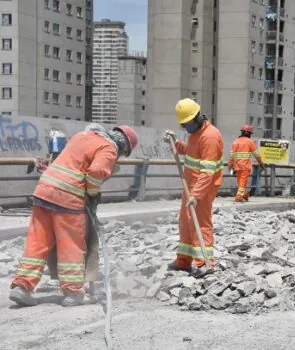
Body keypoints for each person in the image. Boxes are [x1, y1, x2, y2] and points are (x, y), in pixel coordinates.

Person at [9, 124, 138, 307]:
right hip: (68, 198)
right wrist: (93, 194)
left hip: (44, 190)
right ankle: (72, 292)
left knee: (37, 243)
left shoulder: (83, 135)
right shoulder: (109, 148)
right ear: (123, 148)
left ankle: (22, 286)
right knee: (71, 245)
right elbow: (95, 173)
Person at [165, 98, 223, 274]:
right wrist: (176, 144)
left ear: (197, 117)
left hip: (203, 188)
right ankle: (184, 259)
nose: (185, 128)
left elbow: (207, 172)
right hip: (190, 186)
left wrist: (196, 195)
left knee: (201, 223)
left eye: (187, 124)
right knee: (185, 221)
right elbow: (191, 154)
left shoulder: (210, 136)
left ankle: (205, 262)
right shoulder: (195, 134)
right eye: (183, 125)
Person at [228, 124, 265, 202]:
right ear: (249, 134)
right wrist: (261, 164)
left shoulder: (235, 142)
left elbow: (231, 156)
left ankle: (245, 195)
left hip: (237, 166)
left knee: (241, 183)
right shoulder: (250, 142)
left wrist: (230, 166)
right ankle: (239, 197)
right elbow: (257, 155)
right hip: (245, 167)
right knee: (242, 183)